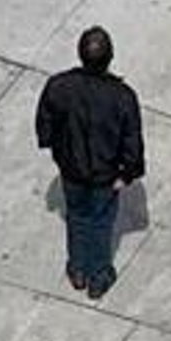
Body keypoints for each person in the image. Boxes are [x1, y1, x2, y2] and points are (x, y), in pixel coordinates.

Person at [35, 26, 144, 300]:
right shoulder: (122, 97)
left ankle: (78, 269)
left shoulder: (59, 86)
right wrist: (127, 174)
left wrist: (58, 153)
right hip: (105, 177)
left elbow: (44, 125)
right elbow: (132, 142)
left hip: (71, 171)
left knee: (76, 217)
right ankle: (98, 276)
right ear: (110, 57)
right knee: (100, 223)